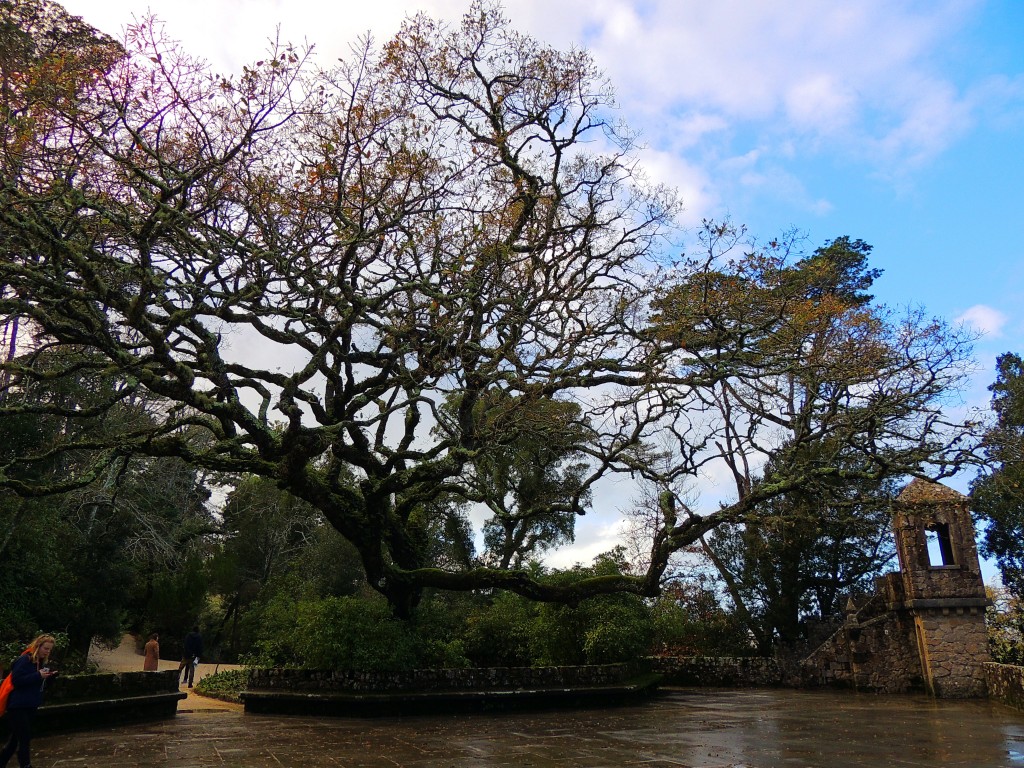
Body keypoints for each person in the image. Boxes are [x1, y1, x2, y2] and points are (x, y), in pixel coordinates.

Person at [0, 634, 56, 768]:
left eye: (49, 649)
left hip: (31, 704)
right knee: (24, 738)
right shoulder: (25, 660)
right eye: (45, 648)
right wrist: (38, 675)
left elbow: (38, 685)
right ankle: (26, 765)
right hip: (18, 706)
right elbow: (16, 680)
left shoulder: (40, 662)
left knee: (15, 739)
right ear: (38, 646)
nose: (47, 652)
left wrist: (49, 678)